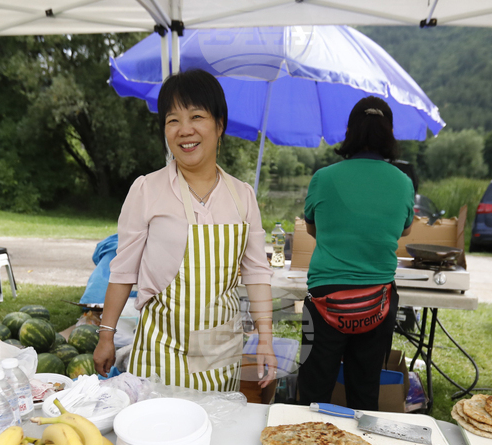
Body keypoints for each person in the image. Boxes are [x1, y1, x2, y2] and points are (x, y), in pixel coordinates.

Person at [92, 69, 276, 392]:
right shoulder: (147, 190)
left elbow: (257, 274)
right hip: (159, 354)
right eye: (172, 120)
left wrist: (266, 339)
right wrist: (106, 334)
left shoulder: (242, 196)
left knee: (215, 436)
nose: (184, 130)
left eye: (196, 116)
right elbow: (122, 271)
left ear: (220, 125)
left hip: (220, 357)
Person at [296, 96, 415, 411]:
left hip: (324, 300)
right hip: (378, 301)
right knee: (365, 391)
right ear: (389, 133)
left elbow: (312, 227)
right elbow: (404, 231)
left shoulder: (324, 178)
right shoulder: (403, 183)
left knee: (311, 390)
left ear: (349, 131)